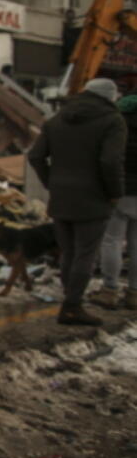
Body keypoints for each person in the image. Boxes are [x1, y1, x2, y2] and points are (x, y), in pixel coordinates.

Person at [28, 78, 127, 325]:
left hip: (61, 197)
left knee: (69, 252)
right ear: (110, 97)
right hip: (93, 198)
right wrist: (114, 192)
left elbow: (36, 156)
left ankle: (70, 301)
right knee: (86, 253)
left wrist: (52, 182)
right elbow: (110, 161)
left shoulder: (56, 120)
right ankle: (72, 306)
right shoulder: (112, 121)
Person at [93, 89, 137, 310]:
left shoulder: (115, 122)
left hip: (120, 191)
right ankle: (134, 294)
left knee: (112, 241)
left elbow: (108, 158)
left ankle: (109, 289)